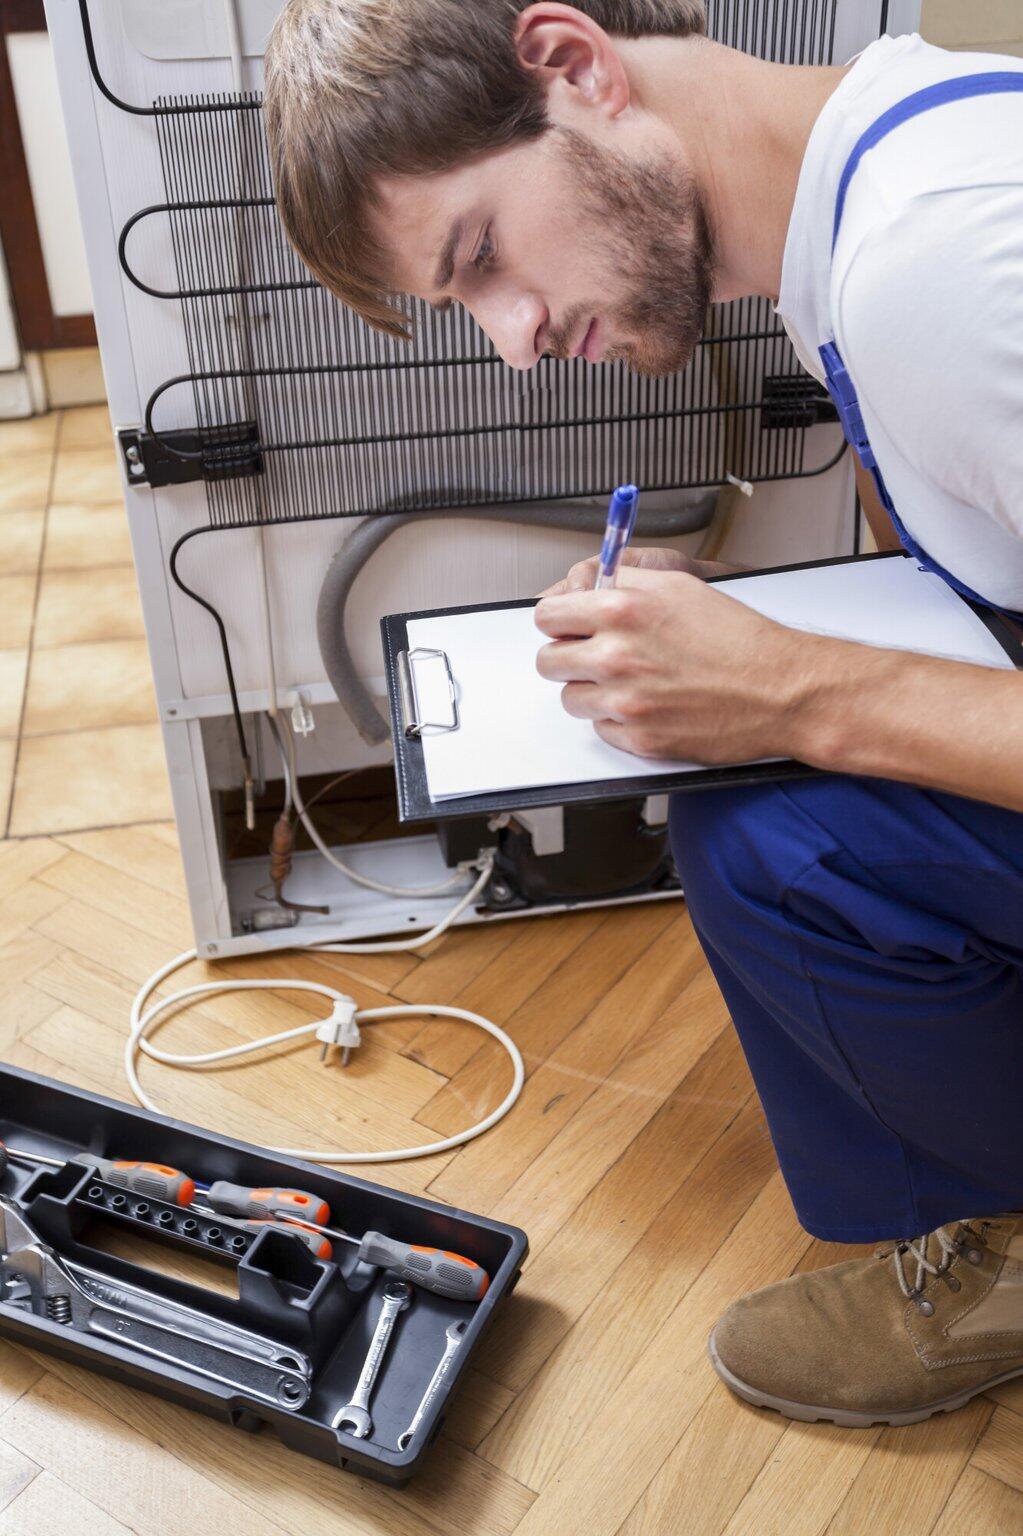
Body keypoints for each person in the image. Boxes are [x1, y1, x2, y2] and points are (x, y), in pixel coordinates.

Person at [264, 1, 1023, 1426]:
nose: (517, 343)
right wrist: (739, 635)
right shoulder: (875, 164)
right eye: (463, 307)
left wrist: (791, 687)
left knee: (776, 844)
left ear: (573, 65)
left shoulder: (948, 265)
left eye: (483, 254)